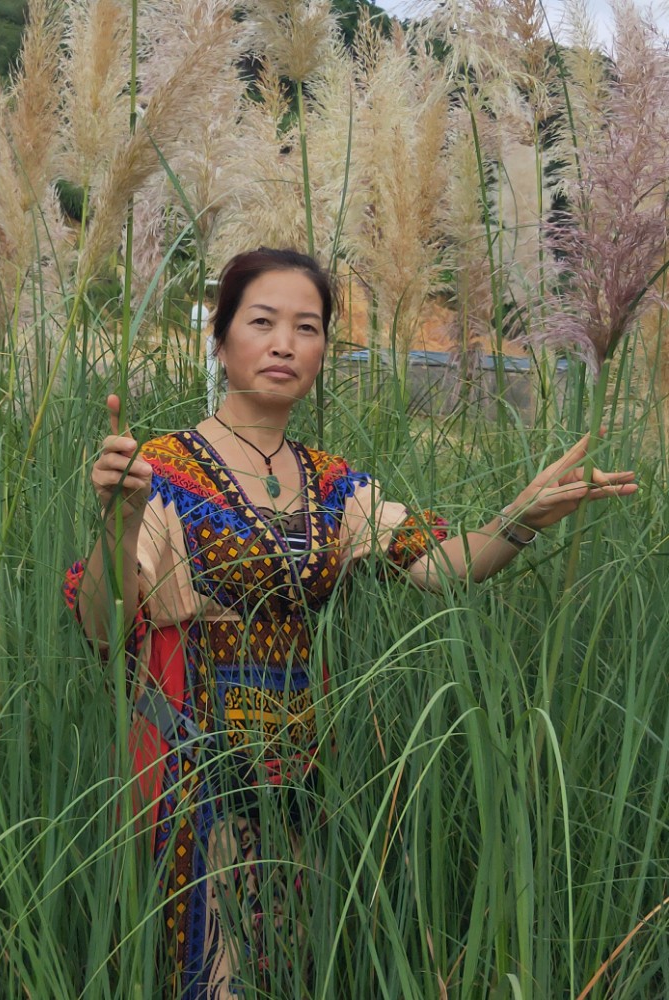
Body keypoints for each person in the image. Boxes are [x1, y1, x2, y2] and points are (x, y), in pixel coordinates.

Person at [64, 247, 637, 999]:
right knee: (213, 977)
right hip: (193, 761)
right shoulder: (161, 469)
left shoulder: (337, 485)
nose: (283, 344)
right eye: (262, 321)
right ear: (221, 334)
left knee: (291, 970)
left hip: (303, 762)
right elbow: (105, 629)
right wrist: (120, 518)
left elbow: (436, 564)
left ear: (324, 350)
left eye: (306, 327)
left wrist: (519, 518)